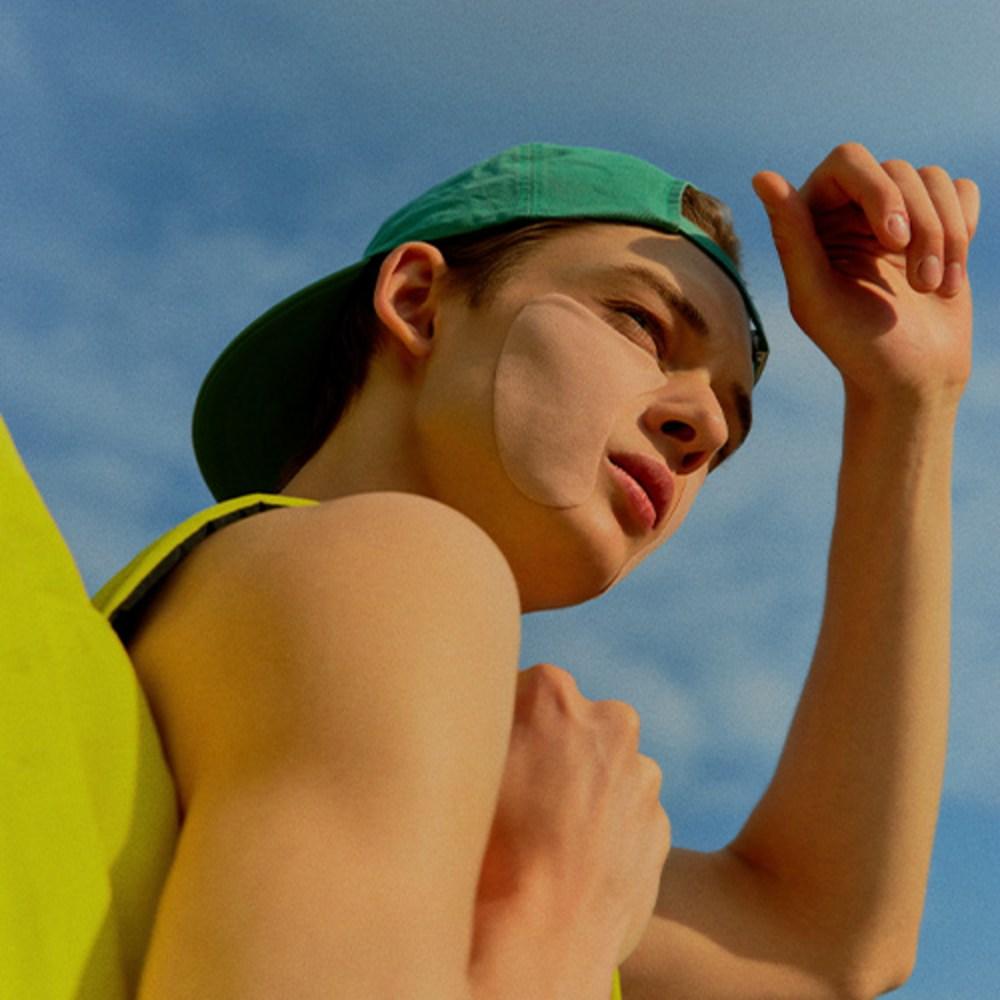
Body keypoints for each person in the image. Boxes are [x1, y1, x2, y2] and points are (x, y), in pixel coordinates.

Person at [93, 142, 978, 998]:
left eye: (728, 434)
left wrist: (909, 398)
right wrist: (554, 914)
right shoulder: (397, 562)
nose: (704, 426)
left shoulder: (259, 667)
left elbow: (821, 943)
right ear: (418, 301)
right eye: (642, 322)